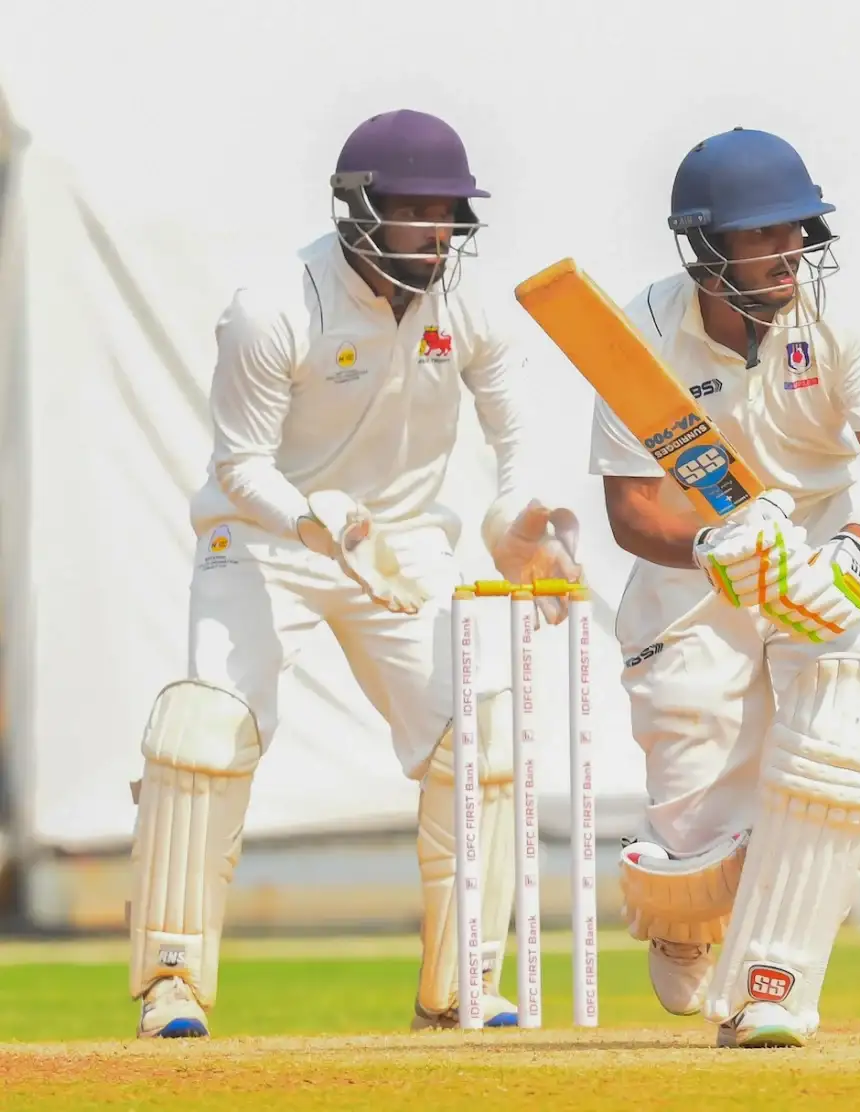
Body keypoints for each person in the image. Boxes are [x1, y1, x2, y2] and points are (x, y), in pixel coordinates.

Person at [125, 109, 581, 1038]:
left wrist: (515, 525)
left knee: (484, 744)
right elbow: (239, 465)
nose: (435, 233)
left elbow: (516, 437)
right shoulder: (273, 309)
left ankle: (460, 986)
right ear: (358, 209)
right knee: (202, 733)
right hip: (267, 537)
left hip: (404, 540)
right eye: (413, 210)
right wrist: (315, 524)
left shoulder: (470, 308)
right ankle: (172, 980)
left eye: (447, 213)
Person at [590, 127, 860, 1048]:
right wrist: (713, 548)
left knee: (839, 744)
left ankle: (771, 987)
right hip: (693, 565)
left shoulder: (838, 322)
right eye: (761, 235)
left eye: (797, 230)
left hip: (816, 546)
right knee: (701, 815)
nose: (789, 252)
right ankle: (685, 909)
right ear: (705, 246)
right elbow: (630, 511)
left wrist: (855, 548)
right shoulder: (637, 336)